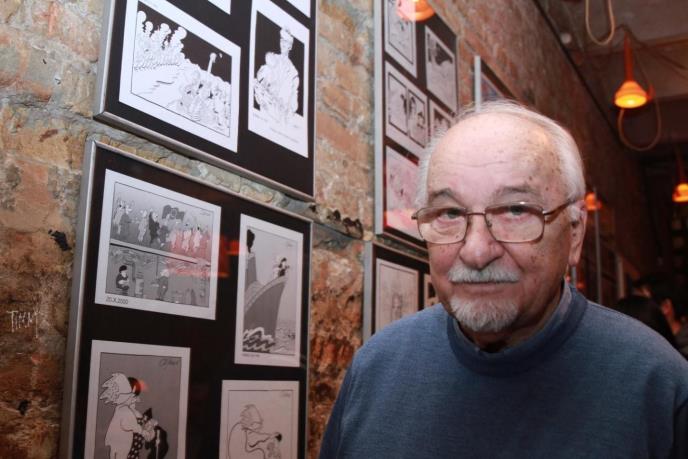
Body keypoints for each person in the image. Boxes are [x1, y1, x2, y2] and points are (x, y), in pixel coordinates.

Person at [319, 100, 688, 458]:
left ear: (574, 234)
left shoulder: (660, 387)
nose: (476, 252)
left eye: (515, 210)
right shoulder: (376, 368)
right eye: (450, 213)